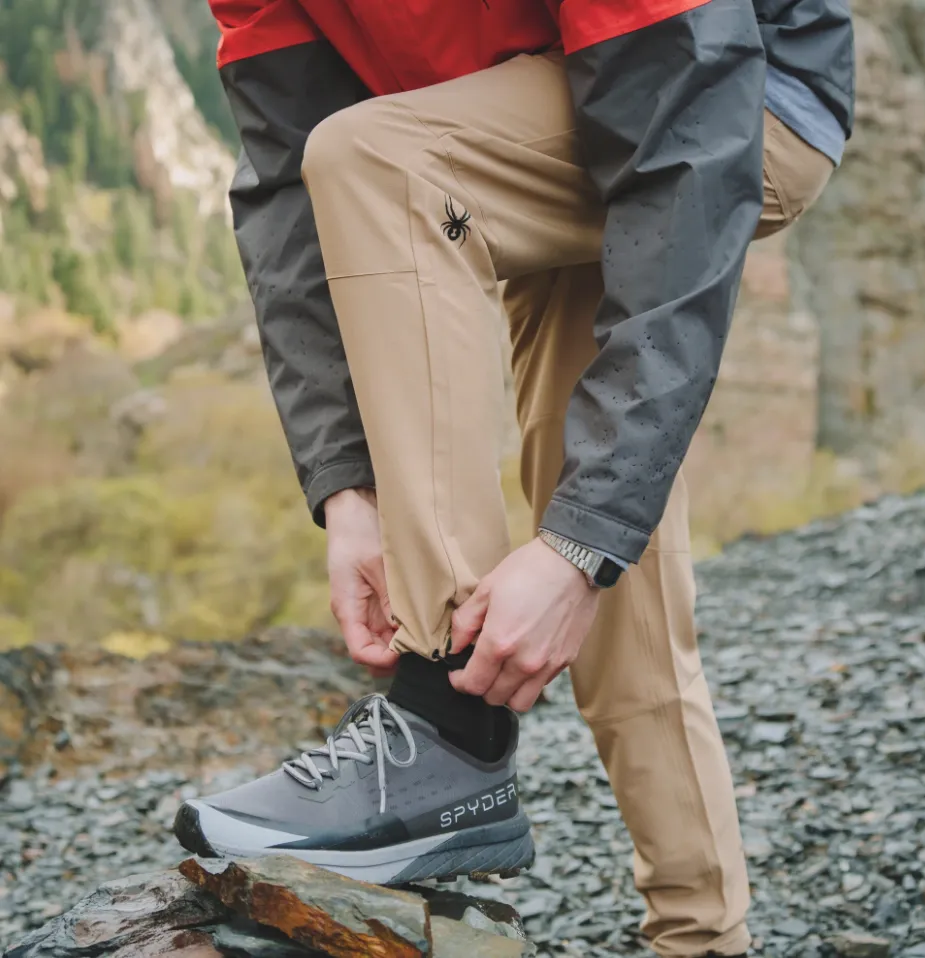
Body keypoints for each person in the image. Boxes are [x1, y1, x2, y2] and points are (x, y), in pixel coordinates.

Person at [174, 2, 854, 955]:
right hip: (553, 100)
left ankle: (446, 726)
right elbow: (289, 191)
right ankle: (704, 937)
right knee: (617, 540)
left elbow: (687, 131)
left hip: (737, 97)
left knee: (378, 158)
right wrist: (351, 493)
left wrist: (578, 548)